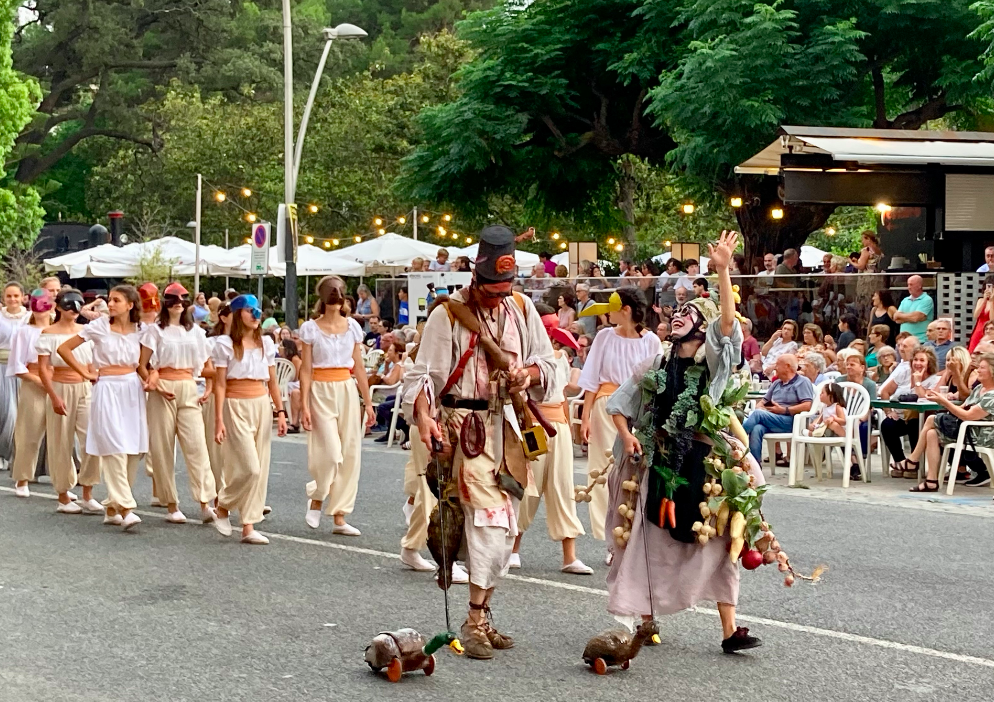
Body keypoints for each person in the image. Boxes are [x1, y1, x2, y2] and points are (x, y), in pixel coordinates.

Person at [606, 230, 770, 652]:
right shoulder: (656, 361)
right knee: (648, 539)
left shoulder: (713, 363)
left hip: (705, 460)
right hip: (658, 456)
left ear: (705, 324)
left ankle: (730, 631)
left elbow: (729, 325)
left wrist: (722, 271)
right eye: (676, 311)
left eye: (690, 311)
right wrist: (626, 437)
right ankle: (645, 620)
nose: (678, 315)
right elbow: (621, 403)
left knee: (717, 542)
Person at [406, 225, 558, 660]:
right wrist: (423, 417)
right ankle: (474, 617)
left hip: (505, 428)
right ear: (476, 279)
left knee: (505, 523)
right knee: (488, 520)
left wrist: (524, 375)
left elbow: (548, 365)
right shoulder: (447, 315)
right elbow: (424, 377)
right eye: (491, 291)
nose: (498, 298)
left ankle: (483, 611)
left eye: (505, 290)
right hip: (462, 429)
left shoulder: (522, 309)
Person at [58, 285, 147, 531]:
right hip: (106, 387)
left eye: (117, 300)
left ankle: (112, 507)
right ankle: (127, 508)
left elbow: (146, 363)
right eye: (110, 299)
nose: (112, 304)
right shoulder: (98, 327)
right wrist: (84, 371)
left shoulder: (141, 330)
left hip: (131, 389)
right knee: (114, 445)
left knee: (131, 450)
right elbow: (64, 349)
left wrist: (152, 377)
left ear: (130, 305)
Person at [578, 288, 661, 545]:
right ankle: (610, 537)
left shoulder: (652, 342)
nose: (608, 314)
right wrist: (586, 416)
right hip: (606, 406)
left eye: (613, 308)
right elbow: (592, 378)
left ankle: (633, 530)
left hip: (639, 409)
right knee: (605, 469)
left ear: (625, 310)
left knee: (635, 471)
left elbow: (655, 380)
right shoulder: (604, 337)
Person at [510, 326, 591, 575]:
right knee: (528, 485)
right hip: (531, 425)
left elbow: (563, 398)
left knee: (562, 486)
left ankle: (570, 557)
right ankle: (512, 550)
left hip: (558, 426)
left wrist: (569, 427)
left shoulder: (560, 360)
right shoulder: (520, 361)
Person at [300, 276, 375, 534]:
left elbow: (359, 367)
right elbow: (306, 370)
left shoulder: (353, 327)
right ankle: (318, 496)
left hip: (346, 387)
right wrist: (305, 405)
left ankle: (340, 514)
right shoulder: (310, 328)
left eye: (339, 292)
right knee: (331, 454)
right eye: (331, 292)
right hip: (321, 389)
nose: (336, 296)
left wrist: (368, 402)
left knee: (350, 453)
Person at [212, 294, 288, 544]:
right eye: (248, 310)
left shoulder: (266, 343)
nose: (255, 315)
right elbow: (220, 384)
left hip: (260, 403)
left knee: (261, 466)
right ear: (237, 315)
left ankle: (248, 524)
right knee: (249, 467)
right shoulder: (224, 344)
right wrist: (218, 419)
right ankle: (223, 504)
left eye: (257, 310)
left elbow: (273, 381)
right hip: (235, 404)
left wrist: (281, 411)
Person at [138, 283, 217, 525]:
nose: (178, 303)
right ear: (165, 302)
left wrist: (209, 388)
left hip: (188, 386)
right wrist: (154, 382)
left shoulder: (195, 333)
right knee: (162, 447)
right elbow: (142, 364)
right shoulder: (155, 331)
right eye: (173, 299)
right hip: (163, 385)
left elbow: (208, 366)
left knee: (197, 445)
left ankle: (205, 501)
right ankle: (170, 503)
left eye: (182, 299)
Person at [36, 290, 102, 513]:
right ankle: (63, 495)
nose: (73, 311)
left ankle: (87, 492)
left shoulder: (86, 332)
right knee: (61, 440)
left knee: (90, 438)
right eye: (68, 306)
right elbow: (44, 368)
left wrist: (93, 378)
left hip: (85, 387)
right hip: (61, 385)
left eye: (77, 307)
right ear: (59, 308)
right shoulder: (48, 333)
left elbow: (93, 362)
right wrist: (53, 395)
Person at [904, 354, 994, 492]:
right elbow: (962, 408)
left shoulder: (992, 395)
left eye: (982, 368)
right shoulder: (979, 388)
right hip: (967, 430)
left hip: (981, 434)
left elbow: (968, 415)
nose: (979, 371)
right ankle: (931, 481)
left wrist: (944, 402)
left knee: (931, 419)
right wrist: (942, 400)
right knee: (932, 433)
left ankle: (913, 460)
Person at [9, 290, 52, 497]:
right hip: (33, 382)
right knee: (29, 433)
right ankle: (22, 478)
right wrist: (39, 381)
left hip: (58, 381)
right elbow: (17, 365)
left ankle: (65, 481)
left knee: (61, 436)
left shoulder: (57, 331)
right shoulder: (24, 332)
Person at [742, 354, 815, 463]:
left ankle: (734, 439)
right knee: (757, 428)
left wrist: (785, 410)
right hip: (774, 419)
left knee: (757, 414)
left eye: (777, 365)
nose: (775, 368)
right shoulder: (776, 383)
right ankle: (755, 467)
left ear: (787, 366)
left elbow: (807, 405)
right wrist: (761, 407)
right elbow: (762, 402)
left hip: (792, 421)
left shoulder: (802, 382)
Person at [880, 348, 940, 477]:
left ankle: (915, 464)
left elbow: (924, 399)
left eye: (922, 360)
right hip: (901, 416)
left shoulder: (934, 379)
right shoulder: (905, 372)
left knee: (914, 423)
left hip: (921, 417)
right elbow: (884, 391)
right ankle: (900, 461)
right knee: (887, 425)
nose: (918, 363)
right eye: (915, 360)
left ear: (929, 363)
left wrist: (917, 381)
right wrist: (889, 411)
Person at [0, 281, 27, 469]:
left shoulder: (31, 317)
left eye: (16, 296)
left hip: (24, 369)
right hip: (2, 367)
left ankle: (17, 454)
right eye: (9, 296)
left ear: (23, 297)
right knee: (5, 412)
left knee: (21, 414)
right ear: (3, 297)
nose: (12, 299)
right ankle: (3, 452)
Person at [844, 353, 877, 480]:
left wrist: (859, 419)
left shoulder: (869, 384)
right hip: (843, 417)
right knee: (840, 428)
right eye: (847, 364)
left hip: (864, 417)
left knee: (863, 427)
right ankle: (855, 463)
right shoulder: (840, 381)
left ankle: (859, 458)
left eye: (852, 364)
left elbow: (872, 406)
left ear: (862, 367)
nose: (848, 367)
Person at [893, 275, 933, 342]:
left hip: (920, 340)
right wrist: (912, 317)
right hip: (903, 341)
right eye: (908, 285)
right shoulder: (905, 300)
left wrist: (903, 317)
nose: (909, 287)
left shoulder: (927, 300)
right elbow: (896, 318)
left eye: (911, 285)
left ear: (919, 286)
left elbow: (915, 318)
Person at [969, 275, 994, 352]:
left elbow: (992, 319)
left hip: (990, 331)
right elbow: (976, 315)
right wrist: (985, 301)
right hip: (979, 330)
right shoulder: (980, 300)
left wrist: (992, 302)